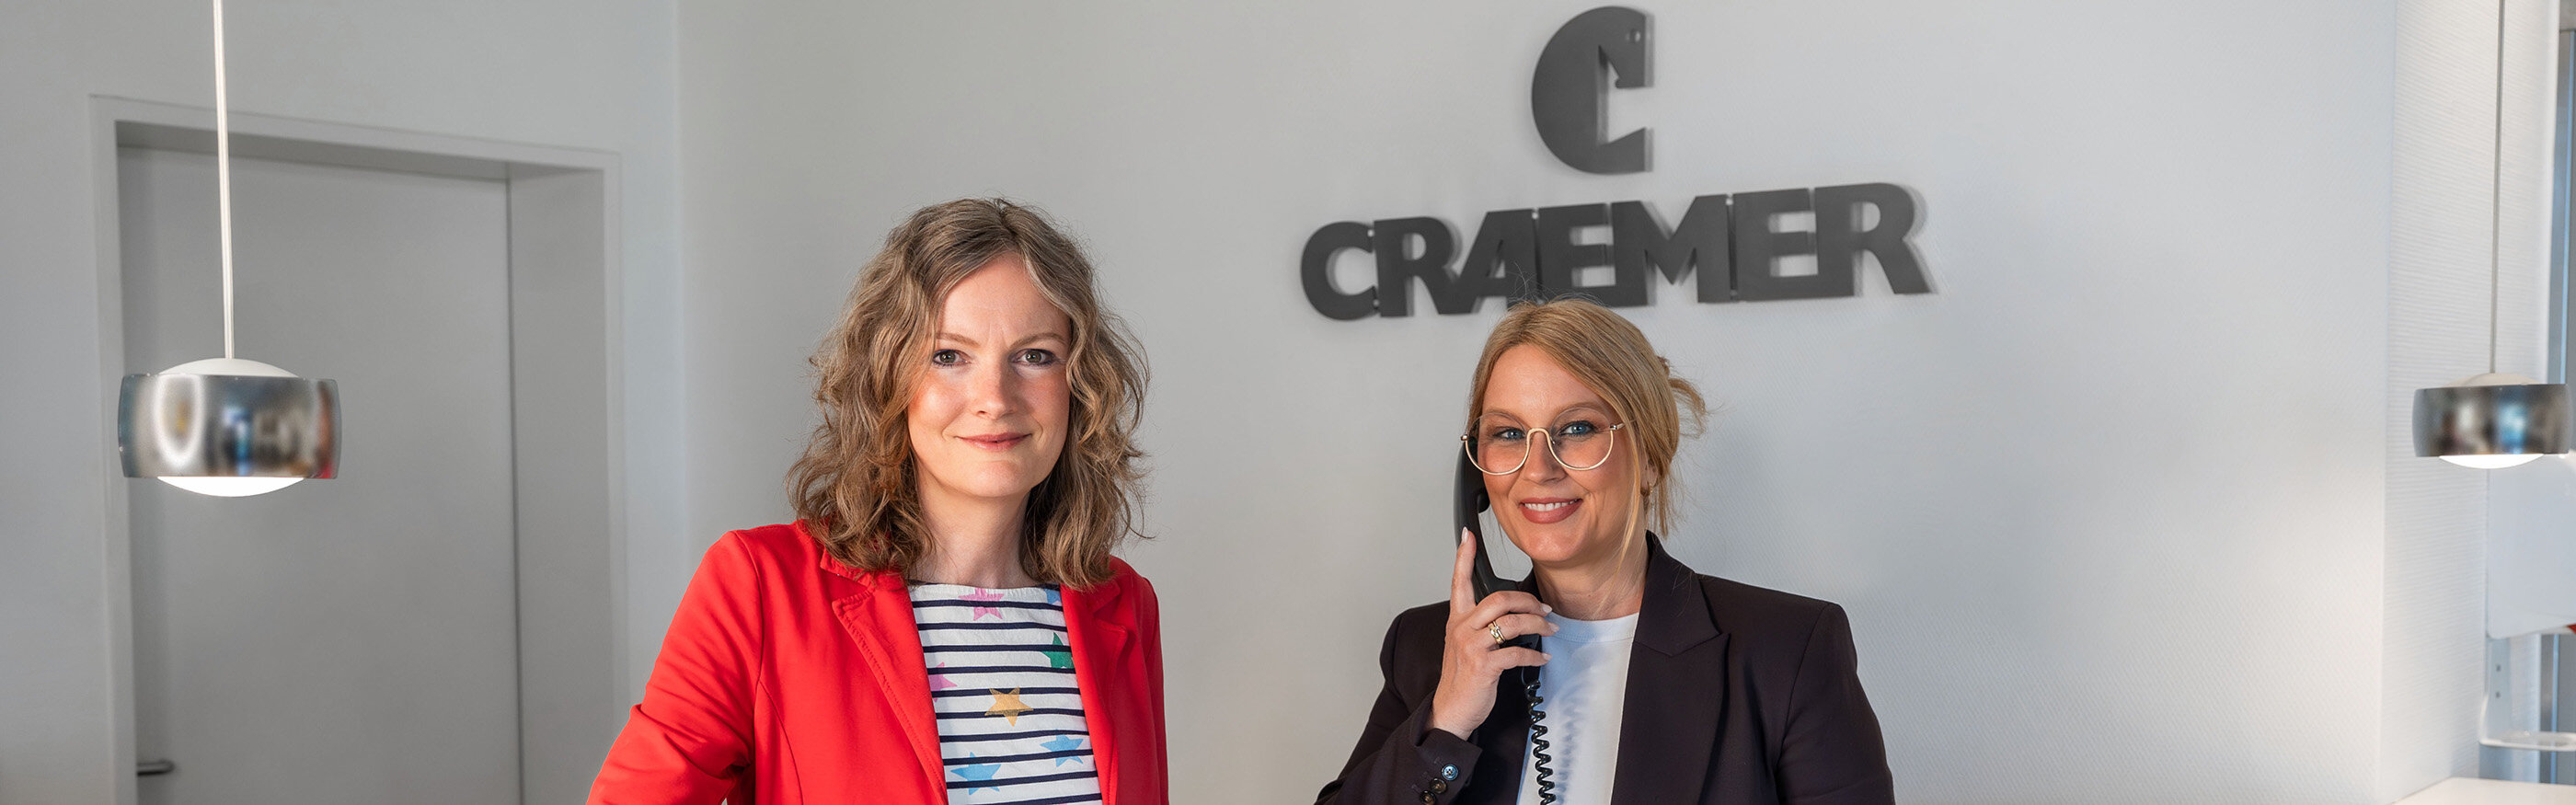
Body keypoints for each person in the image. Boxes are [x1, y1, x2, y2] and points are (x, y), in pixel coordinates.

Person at [590, 199, 1165, 805]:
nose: (995, 397)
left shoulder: (1123, 603)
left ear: (1078, 384)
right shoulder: (759, 586)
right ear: (889, 378)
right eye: (948, 356)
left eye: (1035, 355)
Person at [1316, 298, 1892, 805]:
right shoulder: (1427, 649)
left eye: (1577, 428)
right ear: (1476, 473)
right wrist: (1445, 721)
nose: (1538, 470)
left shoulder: (1784, 648)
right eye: (1508, 434)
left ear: (1650, 457)